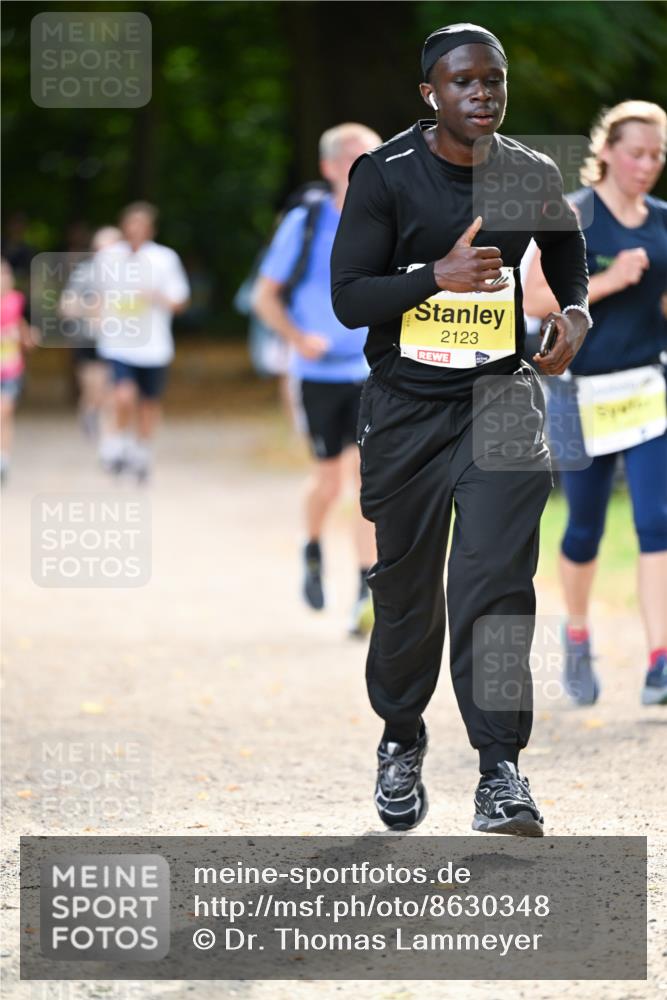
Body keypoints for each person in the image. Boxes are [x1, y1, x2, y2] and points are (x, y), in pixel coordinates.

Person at [331, 23, 591, 836]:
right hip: (406, 409)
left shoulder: (524, 171)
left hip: (500, 401)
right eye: (464, 83)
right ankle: (401, 738)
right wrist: (429, 278)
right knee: (407, 597)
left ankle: (500, 771)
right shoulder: (388, 177)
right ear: (430, 95)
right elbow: (348, 300)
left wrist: (575, 312)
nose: (481, 95)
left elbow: (566, 250)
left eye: (493, 82)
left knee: (495, 590)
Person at [523, 100, 667, 707]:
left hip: (646, 392)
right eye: (637, 152)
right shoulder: (573, 216)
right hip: (579, 394)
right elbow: (531, 299)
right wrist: (609, 280)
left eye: (658, 155)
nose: (647, 165)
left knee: (657, 523)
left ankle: (660, 659)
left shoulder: (662, 219)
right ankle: (577, 636)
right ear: (606, 151)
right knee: (583, 528)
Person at [253, 123, 381, 635]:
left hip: (370, 370)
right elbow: (265, 297)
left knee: (364, 482)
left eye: (373, 156)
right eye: (354, 158)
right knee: (328, 483)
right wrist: (297, 337)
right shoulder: (304, 222)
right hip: (315, 374)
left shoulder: (386, 220)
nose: (366, 166)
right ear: (329, 167)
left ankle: (363, 592)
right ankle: (311, 549)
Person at [95, 202, 190, 482]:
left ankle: (141, 450)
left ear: (151, 229)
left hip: (154, 345)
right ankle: (117, 442)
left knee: (149, 403)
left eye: (142, 224)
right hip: (118, 342)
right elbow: (95, 293)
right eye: (131, 223)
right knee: (123, 395)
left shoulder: (164, 258)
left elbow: (179, 301)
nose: (136, 229)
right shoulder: (108, 257)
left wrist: (154, 296)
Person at [59, 225, 121, 441]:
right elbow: (66, 306)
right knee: (93, 388)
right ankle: (89, 413)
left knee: (111, 389)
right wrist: (90, 310)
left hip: (118, 340)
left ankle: (109, 437)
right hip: (88, 339)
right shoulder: (85, 272)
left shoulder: (130, 273)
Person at [1, 257, 37, 484]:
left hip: (10, 368)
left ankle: (3, 458)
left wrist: (25, 338)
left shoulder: (17, 302)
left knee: (4, 411)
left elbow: (28, 339)